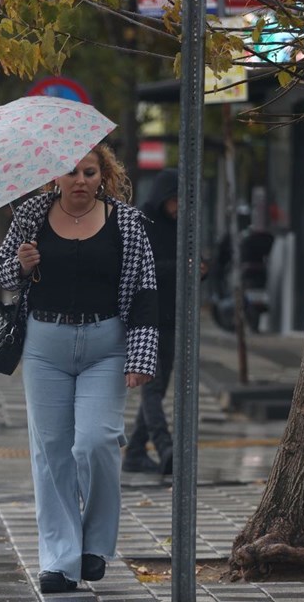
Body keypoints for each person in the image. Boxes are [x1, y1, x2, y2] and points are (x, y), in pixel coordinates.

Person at [0, 143, 158, 594]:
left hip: (106, 347)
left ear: (103, 175)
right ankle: (60, 561)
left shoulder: (126, 222)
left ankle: (95, 545)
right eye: (70, 172)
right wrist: (20, 265)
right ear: (55, 178)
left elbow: (145, 287)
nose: (80, 180)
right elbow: (1, 273)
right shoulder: (31, 214)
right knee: (52, 454)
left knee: (97, 441)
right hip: (45, 346)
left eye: (89, 171)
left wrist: (142, 356)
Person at [123, 169, 180, 475]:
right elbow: (142, 268)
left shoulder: (179, 224)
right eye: (174, 199)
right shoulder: (142, 222)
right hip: (146, 319)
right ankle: (164, 446)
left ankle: (134, 452)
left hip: (172, 316)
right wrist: (179, 267)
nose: (178, 206)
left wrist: (201, 268)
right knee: (152, 387)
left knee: (159, 386)